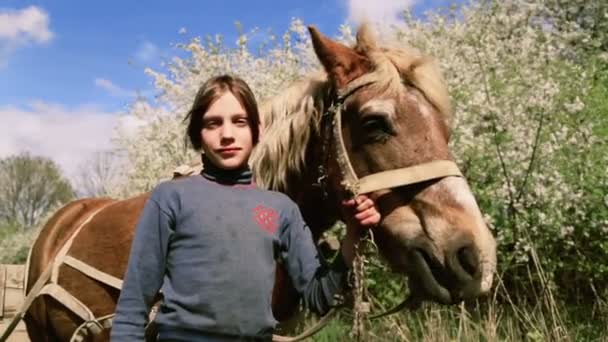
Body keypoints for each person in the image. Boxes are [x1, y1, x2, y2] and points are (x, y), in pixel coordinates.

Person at [110, 74, 380, 341]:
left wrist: (353, 237)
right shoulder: (171, 198)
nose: (227, 135)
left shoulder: (281, 209)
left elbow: (319, 295)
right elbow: (132, 308)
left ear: (257, 130)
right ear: (197, 134)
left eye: (239, 122)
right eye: (213, 123)